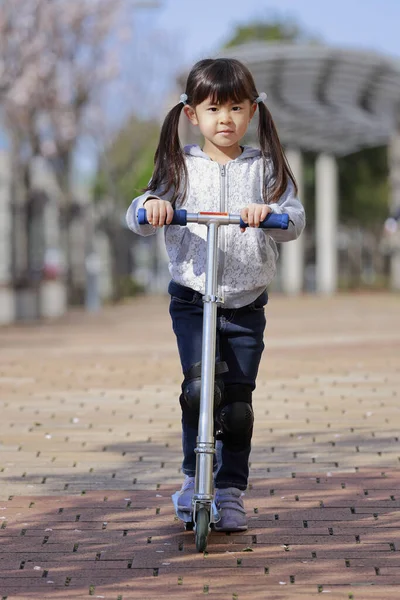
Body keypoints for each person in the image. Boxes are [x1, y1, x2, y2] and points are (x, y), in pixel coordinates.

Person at [126, 57, 305, 532]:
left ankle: (228, 491)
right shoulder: (179, 166)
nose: (224, 119)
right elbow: (137, 211)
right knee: (199, 391)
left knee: (238, 405)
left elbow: (295, 218)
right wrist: (154, 207)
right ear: (192, 114)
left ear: (252, 112)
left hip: (245, 303)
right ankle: (192, 479)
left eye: (235, 108)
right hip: (192, 297)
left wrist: (270, 213)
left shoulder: (264, 168)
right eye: (213, 108)